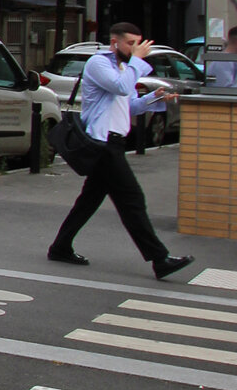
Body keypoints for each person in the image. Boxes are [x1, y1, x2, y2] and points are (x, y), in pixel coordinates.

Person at [49, 20, 191, 278]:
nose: (135, 48)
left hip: (113, 143)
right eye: (130, 43)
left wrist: (155, 97)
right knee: (132, 200)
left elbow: (130, 105)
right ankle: (160, 259)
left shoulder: (125, 68)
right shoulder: (99, 64)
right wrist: (137, 61)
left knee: (89, 201)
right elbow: (121, 87)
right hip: (102, 144)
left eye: (138, 43)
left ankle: (60, 247)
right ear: (114, 43)